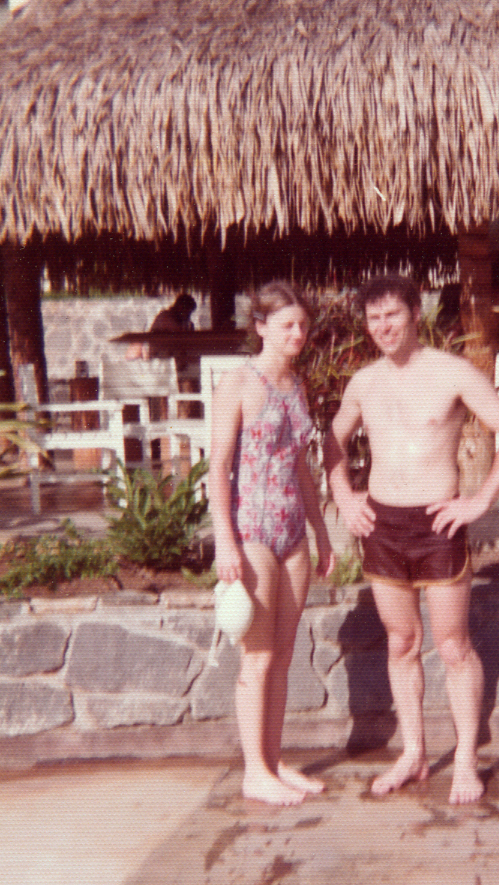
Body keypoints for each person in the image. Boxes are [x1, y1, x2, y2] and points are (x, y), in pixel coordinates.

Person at [324, 274, 499, 804]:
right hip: (383, 525)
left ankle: (465, 760)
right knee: (402, 642)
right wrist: (346, 498)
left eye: (393, 314)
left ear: (416, 312)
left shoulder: (452, 372)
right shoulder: (364, 382)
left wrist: (480, 499)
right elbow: (332, 443)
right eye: (373, 319)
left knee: (453, 646)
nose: (383, 327)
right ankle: (414, 752)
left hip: (438, 525)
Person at [208, 280, 335, 805]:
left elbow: (303, 468)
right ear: (260, 327)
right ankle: (253, 772)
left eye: (303, 325)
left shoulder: (296, 388)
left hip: (292, 534)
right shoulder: (238, 383)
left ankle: (273, 761)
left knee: (283, 657)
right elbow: (216, 469)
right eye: (287, 325)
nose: (298, 334)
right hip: (254, 529)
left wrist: (322, 533)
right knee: (257, 658)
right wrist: (225, 541)